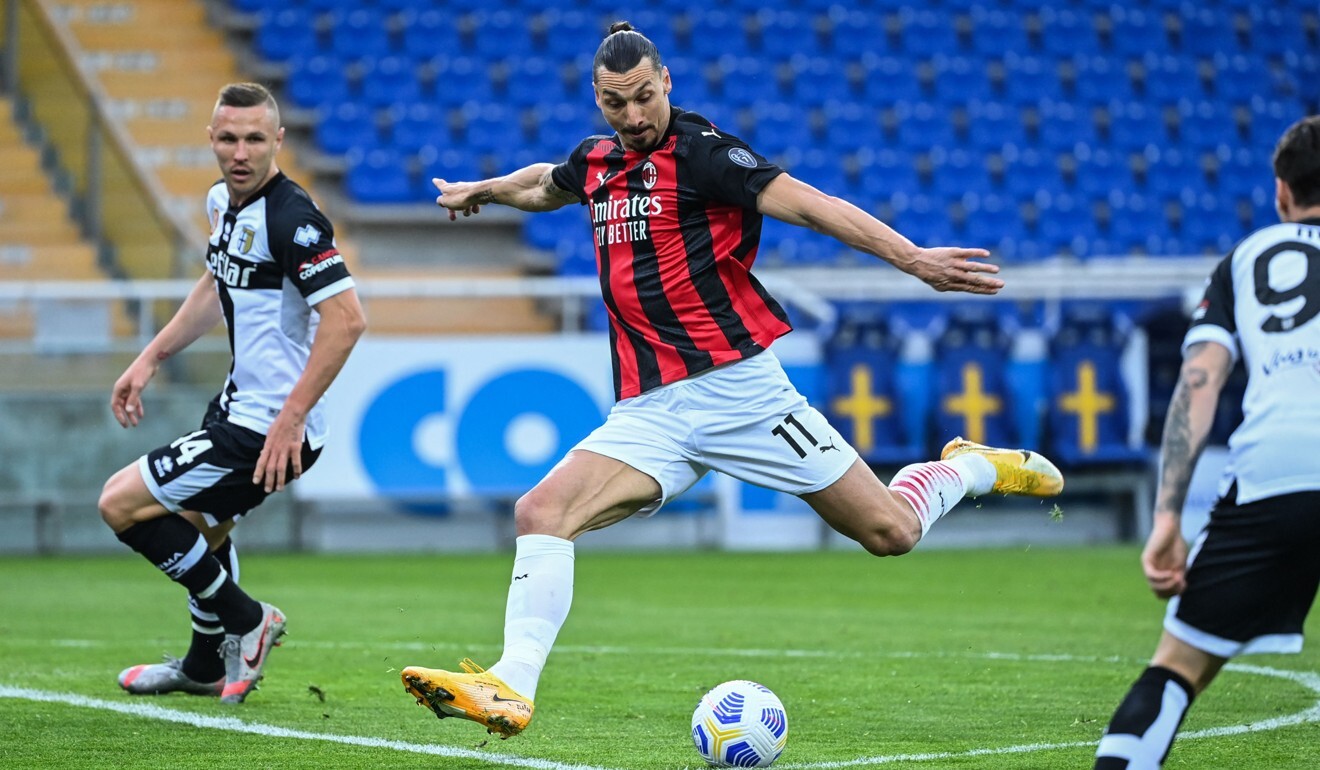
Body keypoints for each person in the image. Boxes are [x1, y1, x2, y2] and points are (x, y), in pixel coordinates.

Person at [400, 23, 1063, 738]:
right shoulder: (597, 163)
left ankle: (965, 470)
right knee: (540, 512)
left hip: (741, 391)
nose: (633, 116)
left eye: (645, 98)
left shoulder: (707, 154)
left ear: (667, 83)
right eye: (616, 103)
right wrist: (486, 190)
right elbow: (543, 183)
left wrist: (911, 259)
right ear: (597, 98)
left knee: (891, 532)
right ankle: (510, 684)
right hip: (651, 409)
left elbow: (812, 205)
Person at [100, 82, 366, 704]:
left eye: (253, 139)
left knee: (119, 505)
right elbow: (214, 285)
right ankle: (202, 666)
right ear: (211, 140)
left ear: (278, 140)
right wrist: (151, 356)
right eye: (228, 138)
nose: (240, 152)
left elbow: (347, 319)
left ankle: (249, 621)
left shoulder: (292, 219)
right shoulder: (223, 202)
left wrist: (290, 418)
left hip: (269, 427)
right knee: (200, 534)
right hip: (238, 408)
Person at [1094, 116, 1320, 768]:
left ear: (1281, 192)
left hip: (1274, 474)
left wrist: (1169, 517)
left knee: (1178, 668)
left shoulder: (1243, 263)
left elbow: (1199, 384)